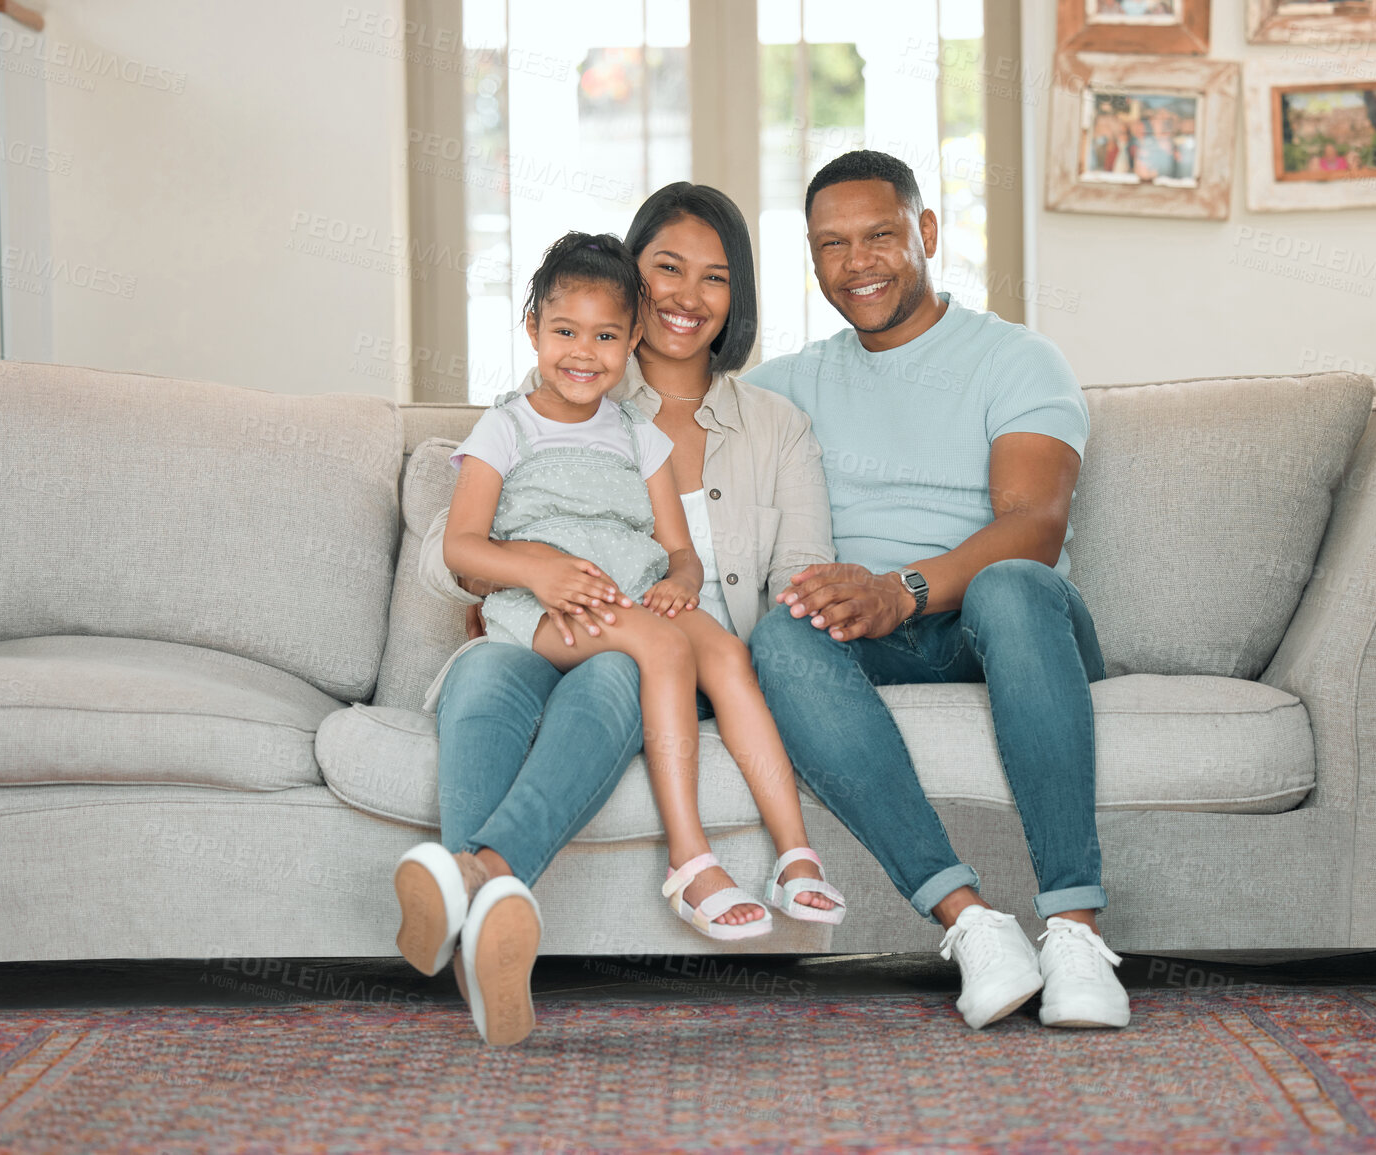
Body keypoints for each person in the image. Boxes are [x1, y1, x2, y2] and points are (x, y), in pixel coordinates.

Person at [402, 186, 840, 1046]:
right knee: (494, 675)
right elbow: (459, 545)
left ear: (629, 330)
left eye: (713, 277)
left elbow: (718, 566)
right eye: (666, 268)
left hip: (638, 619)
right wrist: (526, 565)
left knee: (643, 664)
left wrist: (679, 584)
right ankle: (508, 921)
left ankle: (476, 885)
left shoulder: (761, 425)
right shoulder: (525, 412)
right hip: (548, 617)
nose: (685, 294)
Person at [744, 149, 1131, 1031]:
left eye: (878, 235)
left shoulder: (1016, 357)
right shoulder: (789, 384)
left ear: (923, 232)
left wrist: (901, 589)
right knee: (780, 632)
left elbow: (1035, 522)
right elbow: (649, 420)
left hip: (1006, 622)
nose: (857, 263)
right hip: (875, 635)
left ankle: (1073, 929)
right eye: (831, 245)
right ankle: (970, 922)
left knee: (1007, 582)